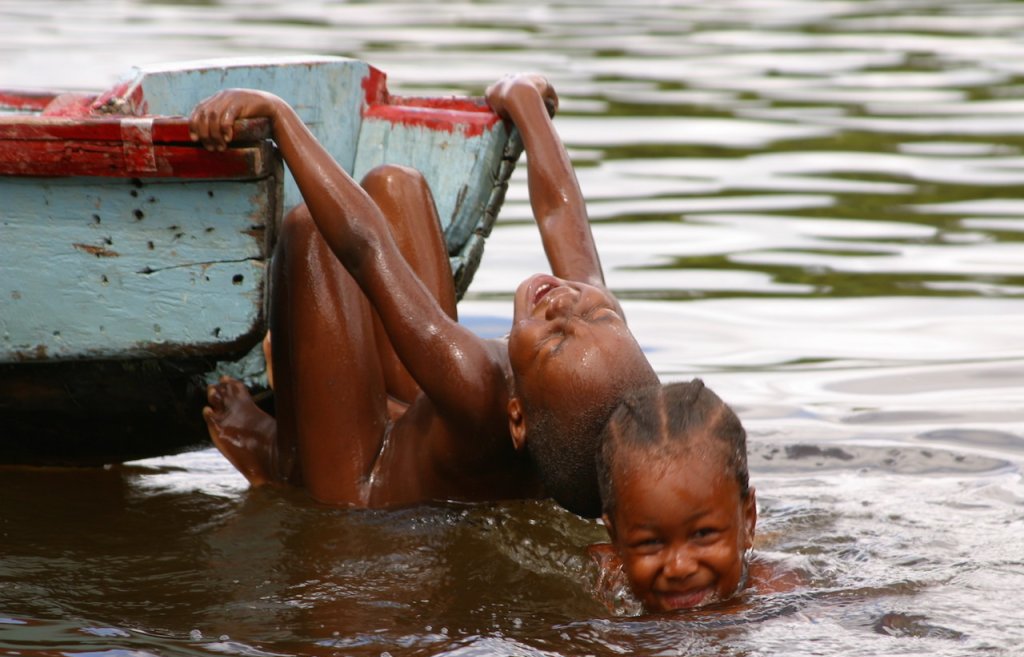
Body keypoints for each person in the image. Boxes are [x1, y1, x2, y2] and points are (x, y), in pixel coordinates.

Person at [188, 74, 658, 517]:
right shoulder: (596, 340)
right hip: (430, 431)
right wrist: (524, 101)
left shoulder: (477, 384)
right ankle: (344, 409)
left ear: (517, 418)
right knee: (398, 184)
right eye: (598, 315)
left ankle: (284, 457)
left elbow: (364, 249)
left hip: (363, 484)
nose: (564, 304)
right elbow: (561, 213)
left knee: (314, 234)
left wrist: (279, 117)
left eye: (555, 341)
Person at [591, 379, 789, 613]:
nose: (679, 568)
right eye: (651, 542)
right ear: (616, 541)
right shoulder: (604, 581)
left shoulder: (779, 595)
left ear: (748, 521)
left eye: (703, 534)